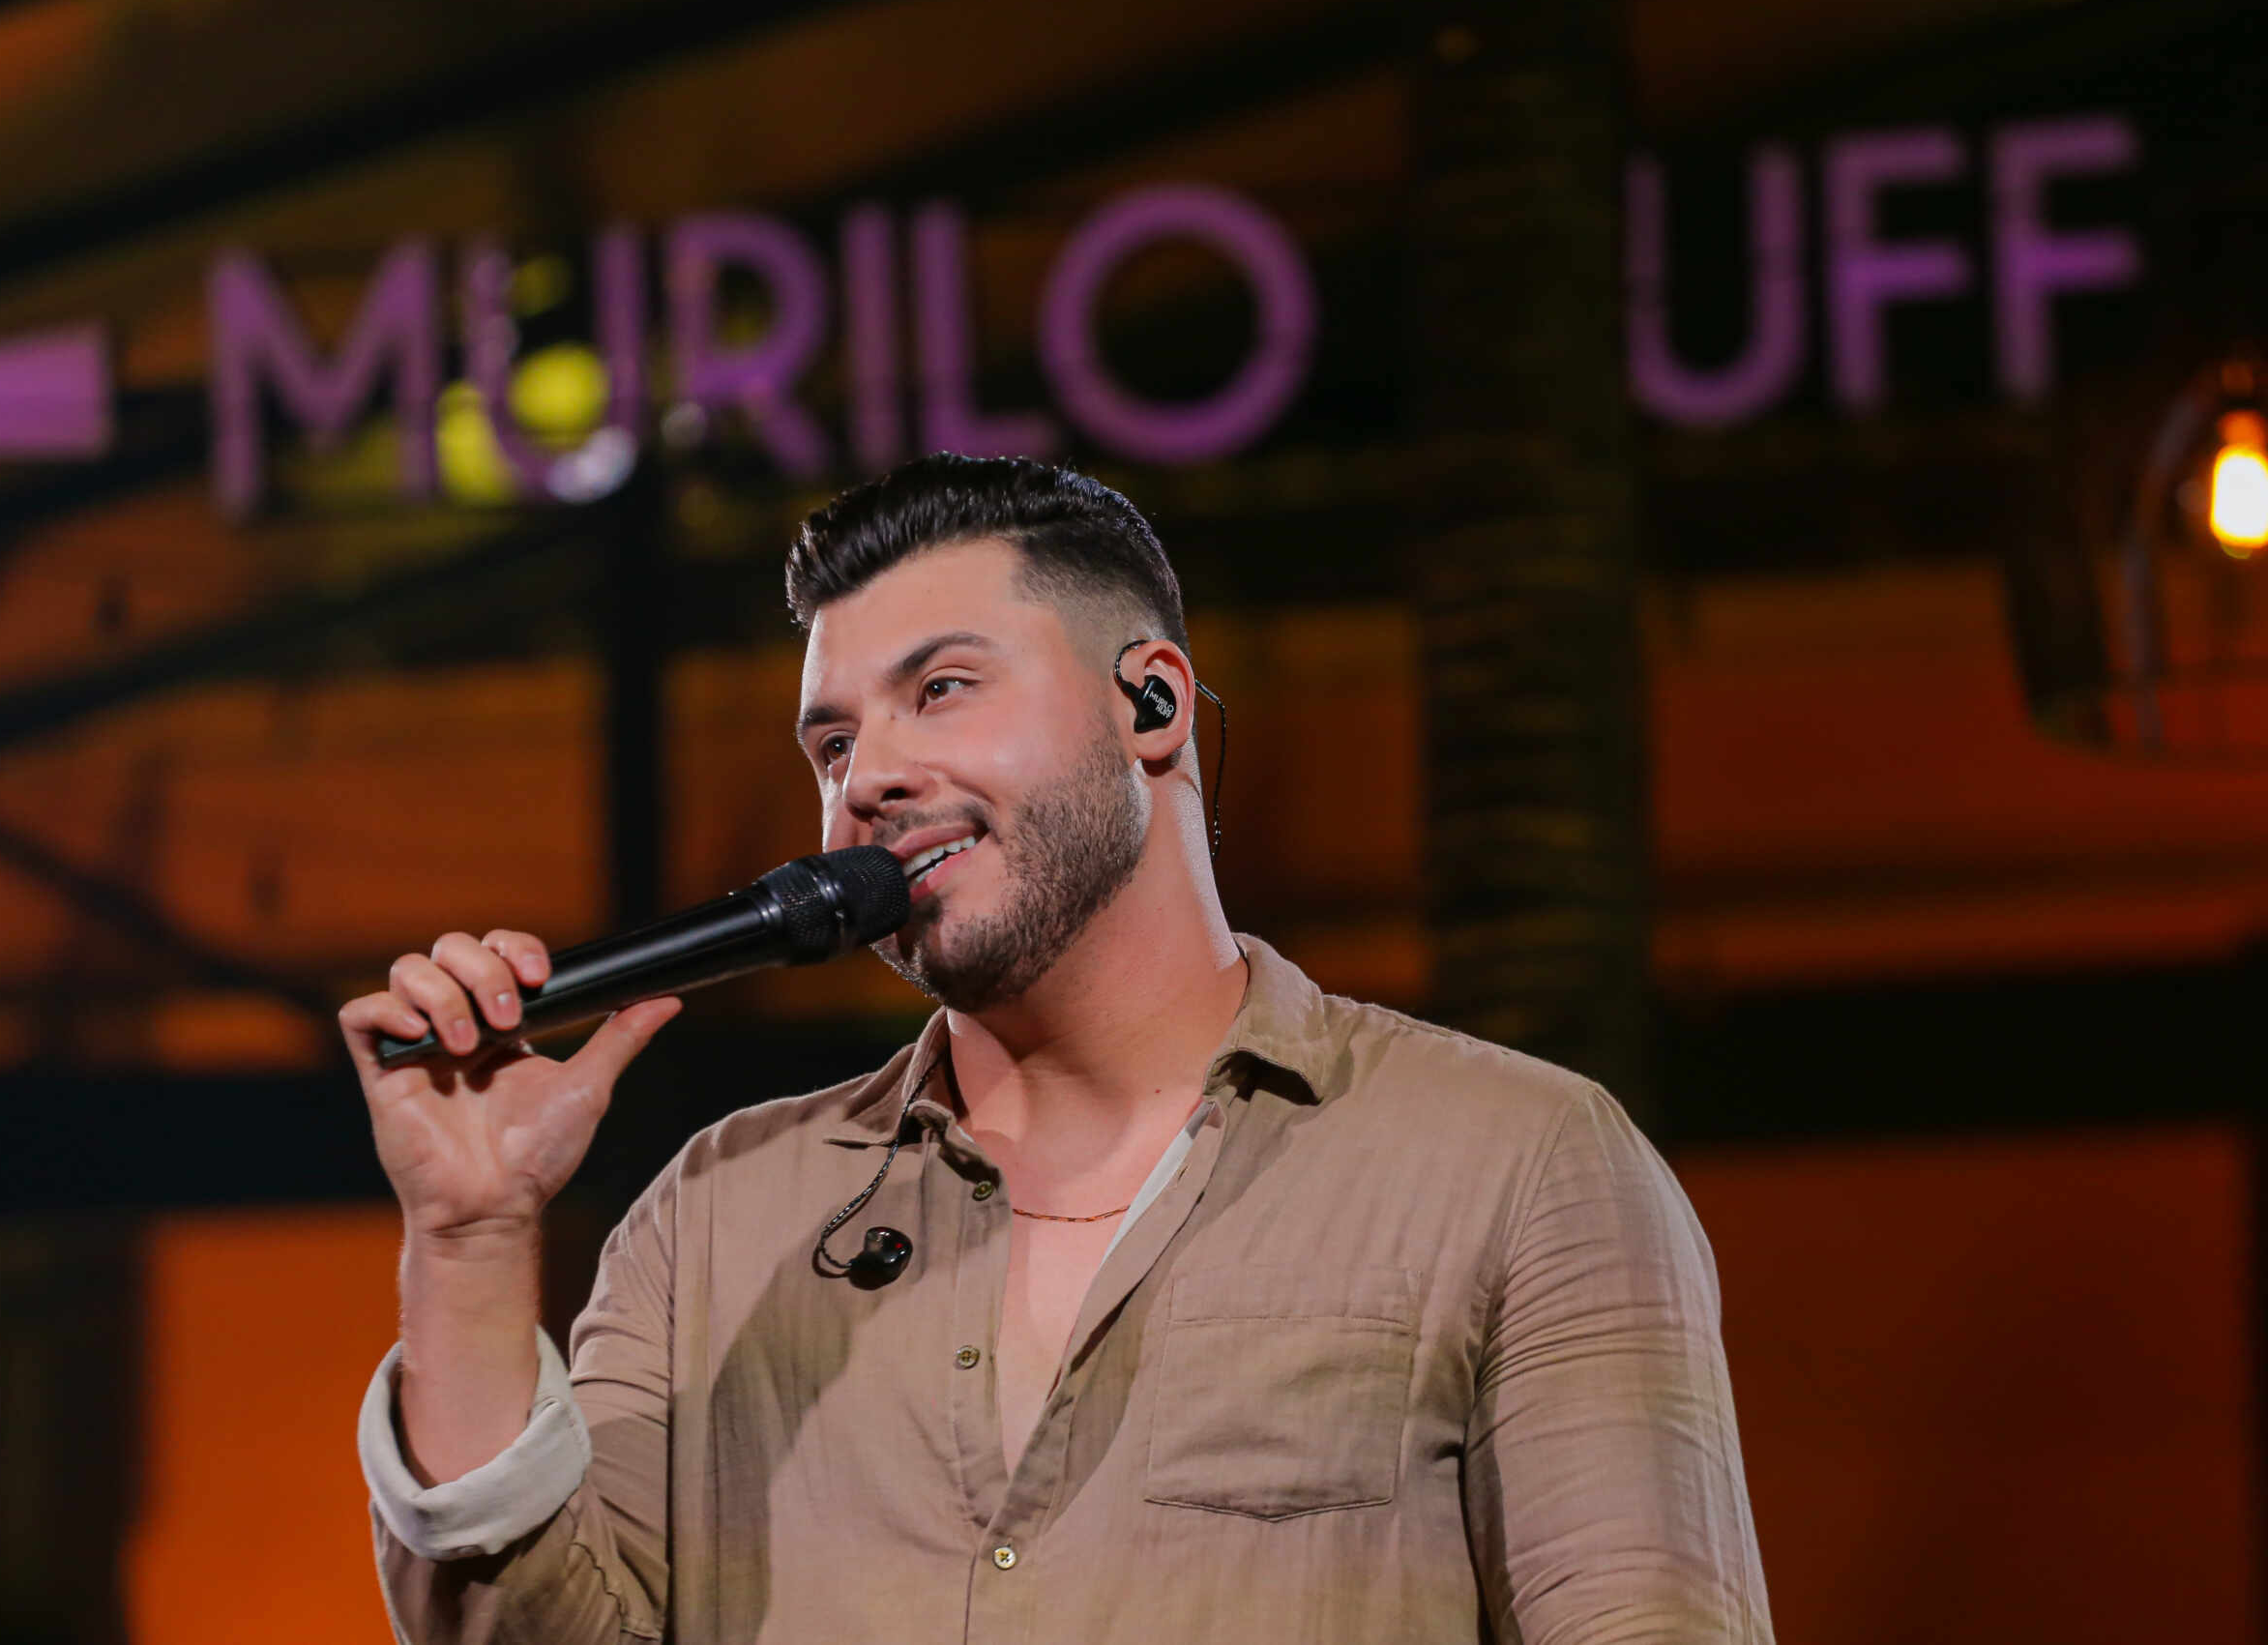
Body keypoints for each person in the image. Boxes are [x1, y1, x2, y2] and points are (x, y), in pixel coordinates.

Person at [341, 455, 1772, 1644]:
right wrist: (470, 1242)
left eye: (942, 689)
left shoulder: (1512, 1165)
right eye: (831, 745)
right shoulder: (717, 1223)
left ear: (1151, 703)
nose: (870, 777)